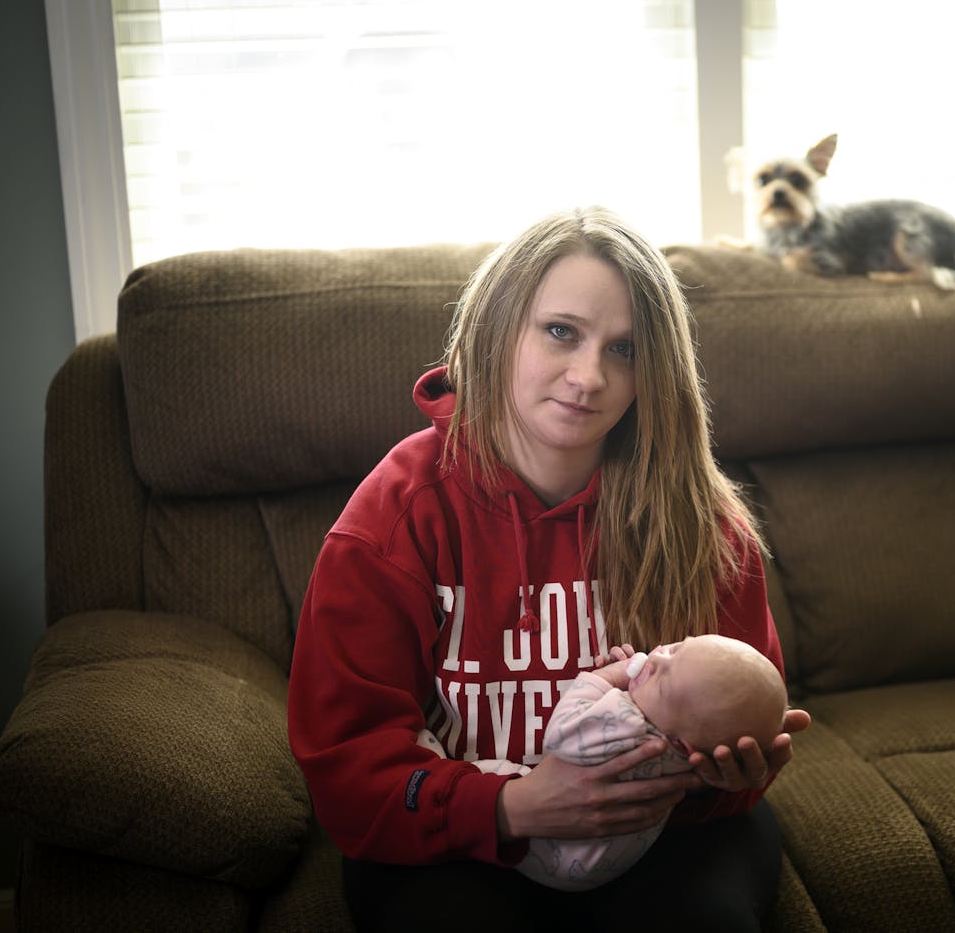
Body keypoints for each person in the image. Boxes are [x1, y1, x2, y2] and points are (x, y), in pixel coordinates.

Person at [287, 206, 810, 931]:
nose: (589, 376)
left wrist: (722, 779)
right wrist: (511, 807)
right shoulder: (397, 517)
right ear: (498, 328)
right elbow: (346, 771)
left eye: (623, 351)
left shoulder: (703, 523)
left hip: (662, 836)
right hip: (455, 846)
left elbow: (741, 726)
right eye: (561, 331)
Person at [416, 633, 790, 892]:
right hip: (605, 863)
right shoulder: (686, 750)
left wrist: (606, 679)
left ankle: (430, 754)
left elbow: (560, 733)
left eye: (661, 678)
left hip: (549, 851)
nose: (655, 656)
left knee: (495, 772)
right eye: (676, 648)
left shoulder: (627, 721)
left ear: (679, 740)